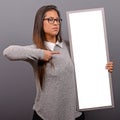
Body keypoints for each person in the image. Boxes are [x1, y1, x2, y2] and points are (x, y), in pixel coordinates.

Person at [3, 5, 113, 120]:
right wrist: (41, 54)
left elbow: (87, 70)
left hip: (74, 115)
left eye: (57, 20)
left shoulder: (72, 45)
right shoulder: (36, 50)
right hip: (45, 116)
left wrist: (104, 68)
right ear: (40, 23)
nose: (55, 23)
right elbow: (8, 52)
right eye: (50, 19)